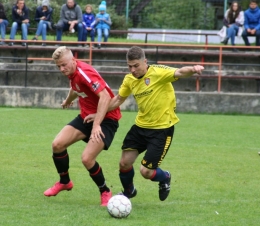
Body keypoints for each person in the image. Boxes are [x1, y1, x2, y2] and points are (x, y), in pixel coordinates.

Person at [85, 46, 204, 201]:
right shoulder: (129, 79)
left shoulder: (158, 73)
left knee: (146, 171)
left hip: (162, 129)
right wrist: (98, 114)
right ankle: (129, 191)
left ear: (145, 61)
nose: (133, 70)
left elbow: (180, 72)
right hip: (140, 127)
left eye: (136, 65)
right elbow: (117, 100)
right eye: (130, 66)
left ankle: (165, 177)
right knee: (124, 163)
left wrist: (193, 69)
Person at [43, 46, 121, 207]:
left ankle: (105, 191)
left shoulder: (85, 73)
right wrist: (67, 100)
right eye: (58, 66)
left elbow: (105, 97)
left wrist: (97, 125)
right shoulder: (72, 72)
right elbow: (75, 88)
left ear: (73, 60)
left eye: (64, 65)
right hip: (86, 117)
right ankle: (65, 182)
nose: (61, 69)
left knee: (87, 159)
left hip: (106, 119)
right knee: (57, 144)